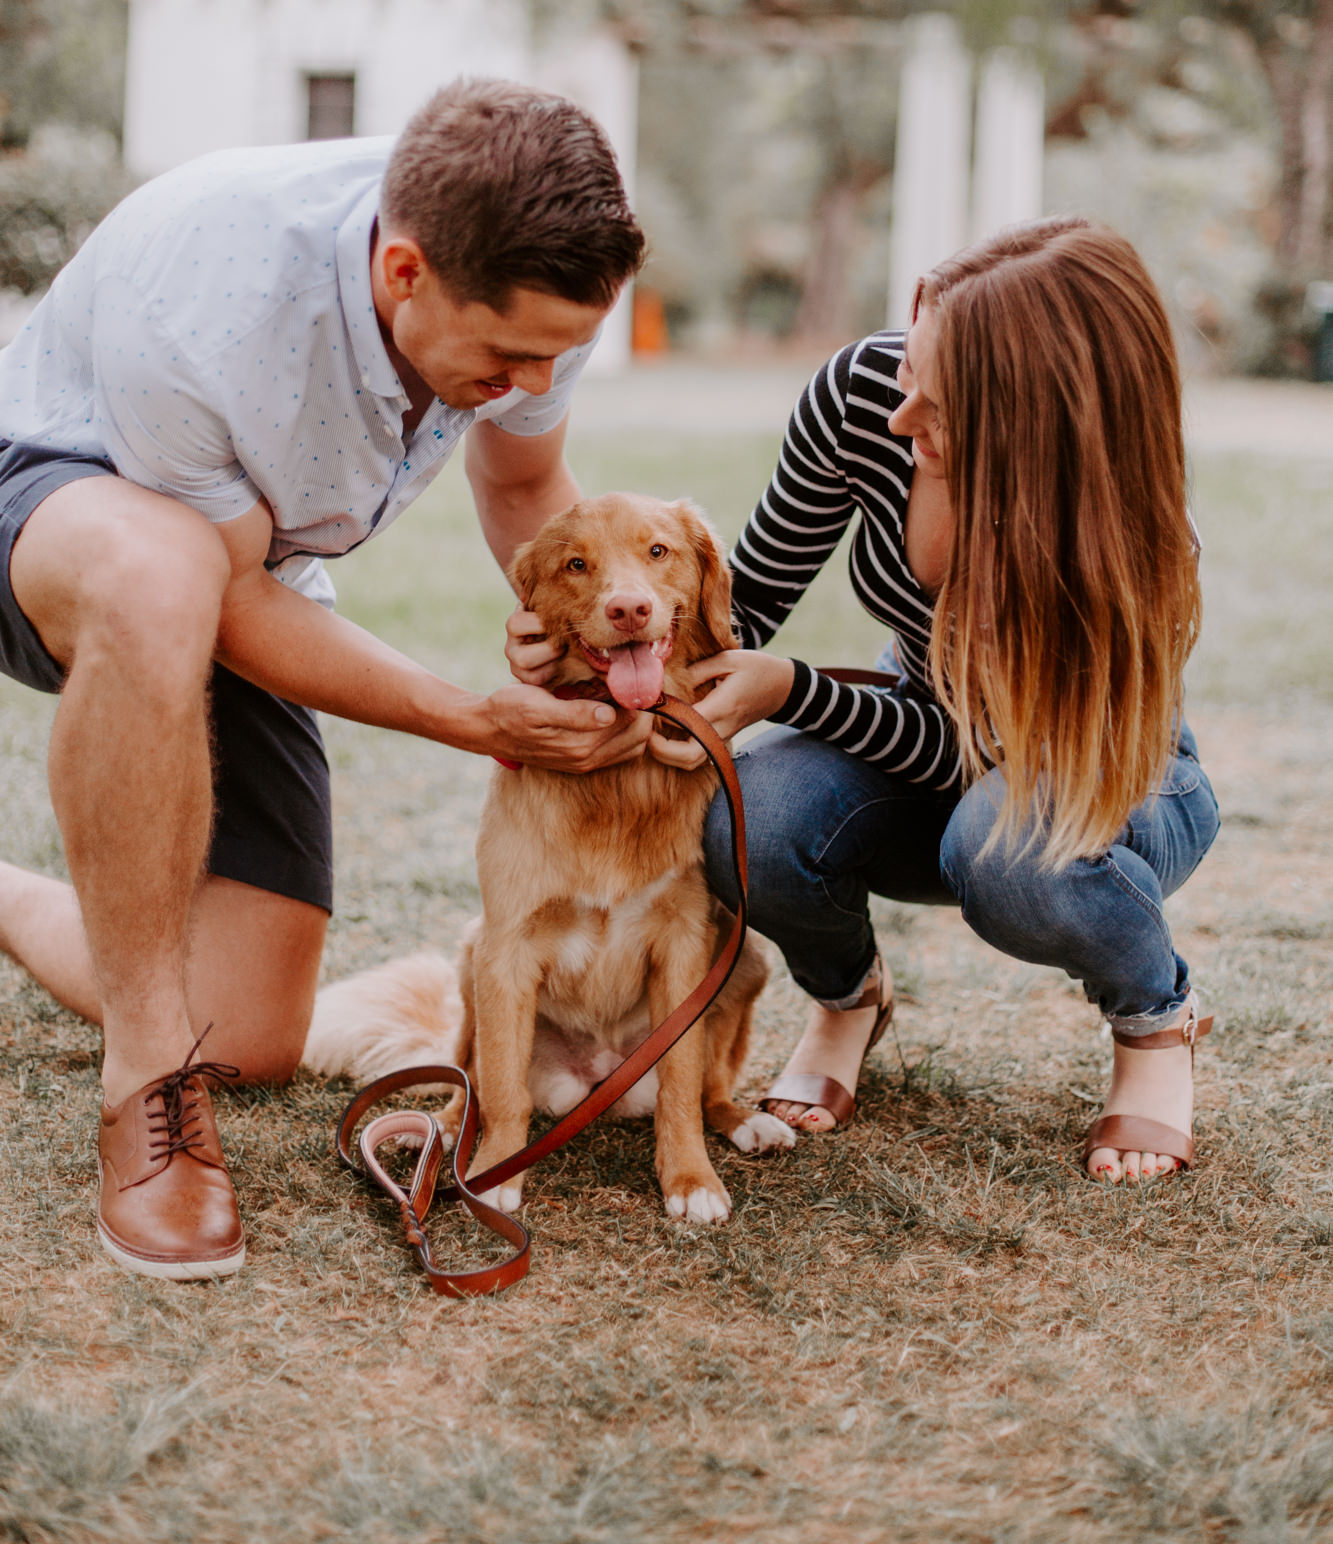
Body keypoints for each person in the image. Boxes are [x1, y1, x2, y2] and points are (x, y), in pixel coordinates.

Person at [0, 76, 652, 1279]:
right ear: (404, 273)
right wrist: (470, 715)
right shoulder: (208, 292)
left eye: (557, 358)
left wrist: (582, 640)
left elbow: (519, 489)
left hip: (252, 562)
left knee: (244, 1031)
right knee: (162, 574)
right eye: (508, 355)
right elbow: (222, 600)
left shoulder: (526, 276)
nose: (529, 383)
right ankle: (144, 1090)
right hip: (57, 502)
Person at [684, 218, 1221, 1184]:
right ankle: (848, 1001)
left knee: (1007, 849)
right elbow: (749, 604)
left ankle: (1154, 1022)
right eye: (910, 366)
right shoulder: (865, 394)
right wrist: (617, 654)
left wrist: (798, 691)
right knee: (743, 814)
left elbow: (986, 758)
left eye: (943, 402)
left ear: (1040, 419)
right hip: (915, 737)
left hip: (1104, 785)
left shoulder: (1127, 535)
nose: (900, 412)